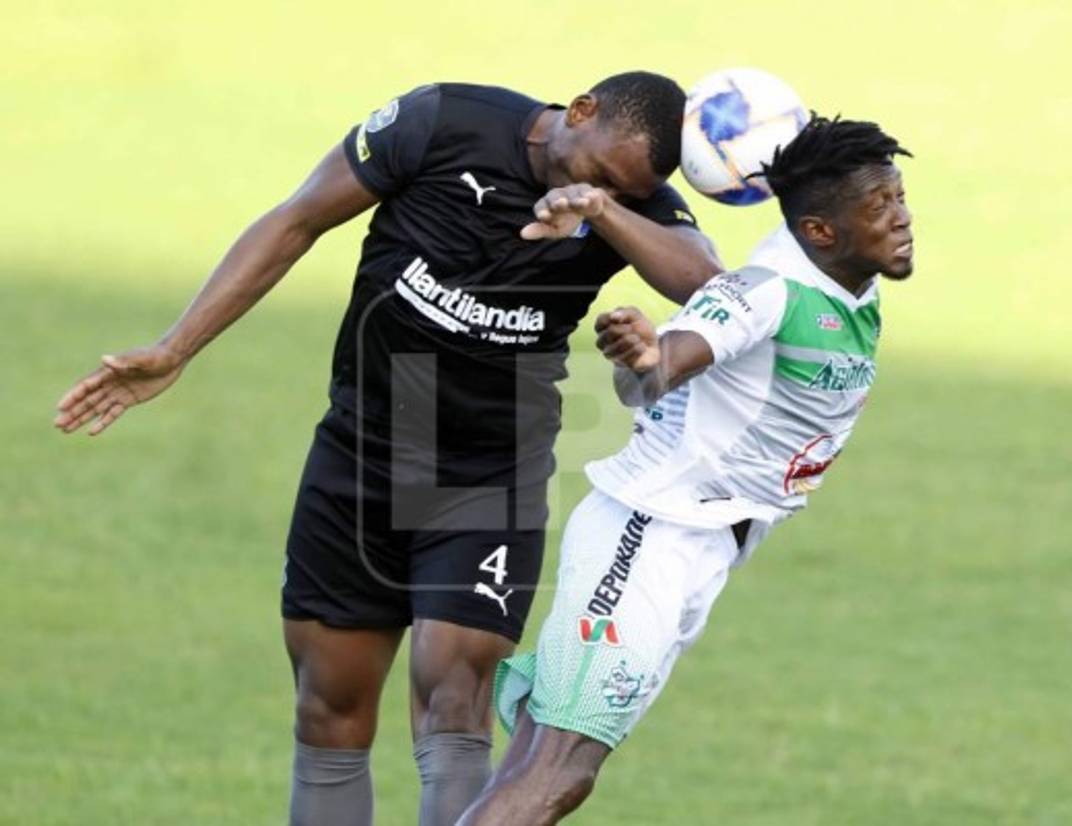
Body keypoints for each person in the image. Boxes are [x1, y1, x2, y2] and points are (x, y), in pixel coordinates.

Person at [53, 72, 721, 826]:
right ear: (580, 111)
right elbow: (296, 221)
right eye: (591, 169)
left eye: (619, 189)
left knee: (454, 694)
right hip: (361, 448)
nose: (591, 187)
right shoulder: (444, 122)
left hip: (487, 468)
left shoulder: (623, 203)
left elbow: (705, 280)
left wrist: (600, 207)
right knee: (328, 708)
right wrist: (176, 349)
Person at [456, 113, 915, 825]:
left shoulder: (852, 280)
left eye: (900, 197)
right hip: (648, 538)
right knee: (555, 774)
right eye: (880, 207)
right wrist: (647, 357)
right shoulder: (769, 291)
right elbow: (669, 361)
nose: (902, 219)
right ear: (822, 231)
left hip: (703, 547)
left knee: (551, 769)